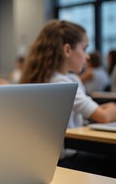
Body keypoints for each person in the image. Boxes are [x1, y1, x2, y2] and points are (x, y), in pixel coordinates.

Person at [20, 20, 116, 175]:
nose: (86, 56)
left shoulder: (48, 78)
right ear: (67, 50)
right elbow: (103, 117)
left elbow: (93, 111)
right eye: (84, 49)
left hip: (50, 161)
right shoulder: (63, 83)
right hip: (65, 162)